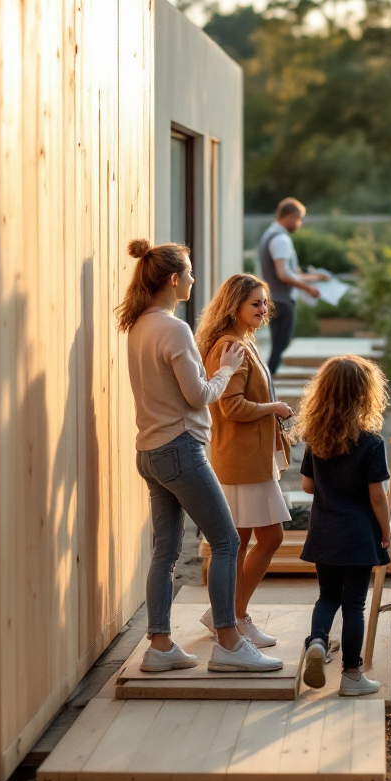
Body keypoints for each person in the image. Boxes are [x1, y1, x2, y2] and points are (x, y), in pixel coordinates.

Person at [117, 240, 282, 674]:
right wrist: (225, 370)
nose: (192, 279)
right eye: (188, 273)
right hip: (181, 449)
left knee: (165, 552)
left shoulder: (138, 326)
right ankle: (229, 642)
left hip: (149, 451)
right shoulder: (173, 329)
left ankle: (160, 645)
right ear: (174, 279)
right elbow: (200, 396)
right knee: (226, 541)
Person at [196, 273, 294, 648]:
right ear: (234, 305)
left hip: (248, 458)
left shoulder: (241, 342)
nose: (263, 309)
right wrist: (274, 407)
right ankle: (234, 616)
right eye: (255, 303)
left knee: (246, 539)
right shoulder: (230, 347)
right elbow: (231, 406)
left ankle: (227, 614)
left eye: (265, 303)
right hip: (242, 461)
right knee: (260, 538)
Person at [299, 356, 391, 697]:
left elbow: (308, 486)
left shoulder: (316, 438)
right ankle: (351, 675)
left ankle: (319, 642)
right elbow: (377, 497)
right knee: (354, 605)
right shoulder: (370, 442)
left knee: (327, 597)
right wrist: (386, 531)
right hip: (358, 535)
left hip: (324, 530)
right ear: (365, 395)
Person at [257, 198, 330, 375]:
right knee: (280, 345)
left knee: (279, 344)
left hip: (274, 299)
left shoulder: (269, 235)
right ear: (290, 217)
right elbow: (283, 274)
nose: (300, 223)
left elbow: (290, 273)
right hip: (281, 301)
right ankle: (265, 382)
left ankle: (266, 381)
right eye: (299, 219)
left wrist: (315, 277)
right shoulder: (281, 239)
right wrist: (308, 288)